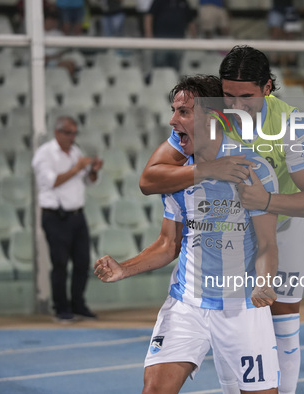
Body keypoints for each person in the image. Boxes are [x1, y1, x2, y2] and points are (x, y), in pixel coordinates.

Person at [139, 45, 304, 394]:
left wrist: (267, 199)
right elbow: (150, 178)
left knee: (282, 314)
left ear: (267, 88)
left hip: (281, 219)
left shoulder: (289, 126)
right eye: (228, 95)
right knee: (233, 312)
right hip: (229, 223)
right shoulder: (208, 115)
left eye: (247, 96)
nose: (236, 105)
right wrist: (208, 168)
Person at [96, 75, 280, 394]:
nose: (173, 120)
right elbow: (169, 244)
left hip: (241, 308)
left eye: (183, 112)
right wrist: (125, 268)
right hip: (187, 303)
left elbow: (267, 243)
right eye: (174, 110)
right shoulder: (179, 177)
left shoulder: (253, 170)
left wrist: (264, 280)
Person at [32, 116, 103, 323]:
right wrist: (77, 168)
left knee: (82, 262)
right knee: (60, 263)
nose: (72, 137)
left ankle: (78, 304)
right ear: (57, 132)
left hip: (76, 214)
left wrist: (93, 172)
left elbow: (88, 183)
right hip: (56, 216)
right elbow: (52, 181)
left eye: (74, 133)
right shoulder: (44, 154)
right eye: (68, 133)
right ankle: (61, 308)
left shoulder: (75, 152)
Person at [144, 0, 196, 71]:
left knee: (175, 68)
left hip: (179, 42)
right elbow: (149, 16)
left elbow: (190, 20)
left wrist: (194, 37)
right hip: (160, 42)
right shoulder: (158, 1)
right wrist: (149, 35)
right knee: (159, 68)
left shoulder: (183, 2)